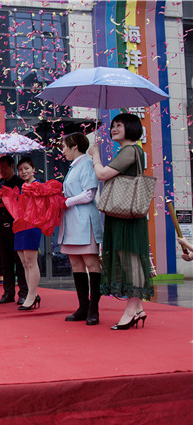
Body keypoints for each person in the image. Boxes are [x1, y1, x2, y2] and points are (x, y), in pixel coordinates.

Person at [90, 113, 154, 330]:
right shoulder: (129, 151)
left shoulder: (130, 150)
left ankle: (131, 311)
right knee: (127, 260)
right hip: (123, 214)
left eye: (119, 125)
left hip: (127, 216)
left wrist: (95, 156)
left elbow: (102, 174)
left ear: (131, 128)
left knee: (131, 261)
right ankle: (138, 309)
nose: (114, 129)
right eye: (113, 125)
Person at [59, 133, 104, 325]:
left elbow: (89, 194)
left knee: (91, 263)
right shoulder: (74, 166)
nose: (63, 151)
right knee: (76, 264)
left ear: (75, 146)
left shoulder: (86, 163)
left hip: (84, 219)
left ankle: (94, 308)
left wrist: (66, 201)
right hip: (71, 219)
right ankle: (83, 306)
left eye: (64, 147)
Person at [0, 155, 28, 304]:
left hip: (16, 227)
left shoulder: (20, 183)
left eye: (4, 168)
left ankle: (24, 293)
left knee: (19, 261)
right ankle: (8, 293)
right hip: (1, 227)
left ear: (12, 166)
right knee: (5, 262)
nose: (1, 171)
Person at [14, 158, 44, 310]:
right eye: (20, 170)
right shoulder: (22, 187)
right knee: (24, 263)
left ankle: (31, 296)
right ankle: (33, 294)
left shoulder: (37, 185)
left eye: (26, 168)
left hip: (32, 225)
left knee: (31, 262)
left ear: (33, 169)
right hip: (20, 226)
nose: (23, 172)